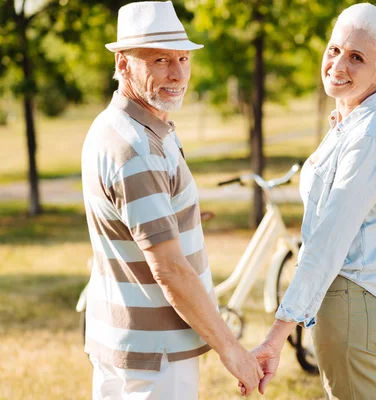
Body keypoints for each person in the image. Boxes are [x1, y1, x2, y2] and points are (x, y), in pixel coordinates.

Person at [81, 2, 263, 398]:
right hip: (155, 356)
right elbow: (171, 272)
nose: (178, 73)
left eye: (183, 58)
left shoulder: (115, 125)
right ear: (123, 63)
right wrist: (230, 349)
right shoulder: (137, 148)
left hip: (122, 341)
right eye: (160, 60)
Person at [251, 3, 376, 399]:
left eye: (356, 57)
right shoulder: (354, 122)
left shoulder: (368, 137)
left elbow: (327, 242)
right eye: (334, 50)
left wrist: (277, 336)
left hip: (355, 306)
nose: (338, 65)